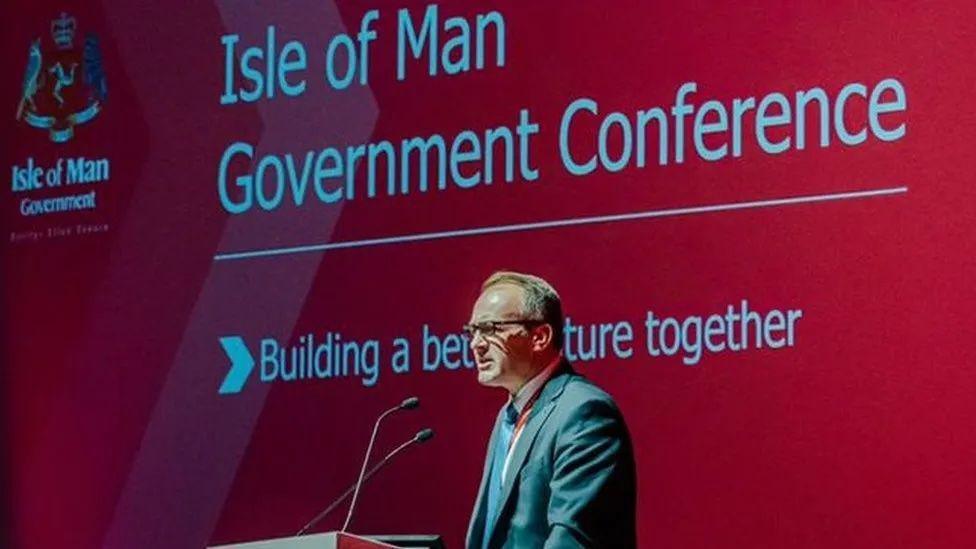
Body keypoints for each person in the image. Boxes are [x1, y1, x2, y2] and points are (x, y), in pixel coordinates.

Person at [464, 271, 637, 548]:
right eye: (473, 331)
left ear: (540, 336)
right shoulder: (508, 417)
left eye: (490, 329)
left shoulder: (584, 413)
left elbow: (573, 538)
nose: (476, 343)